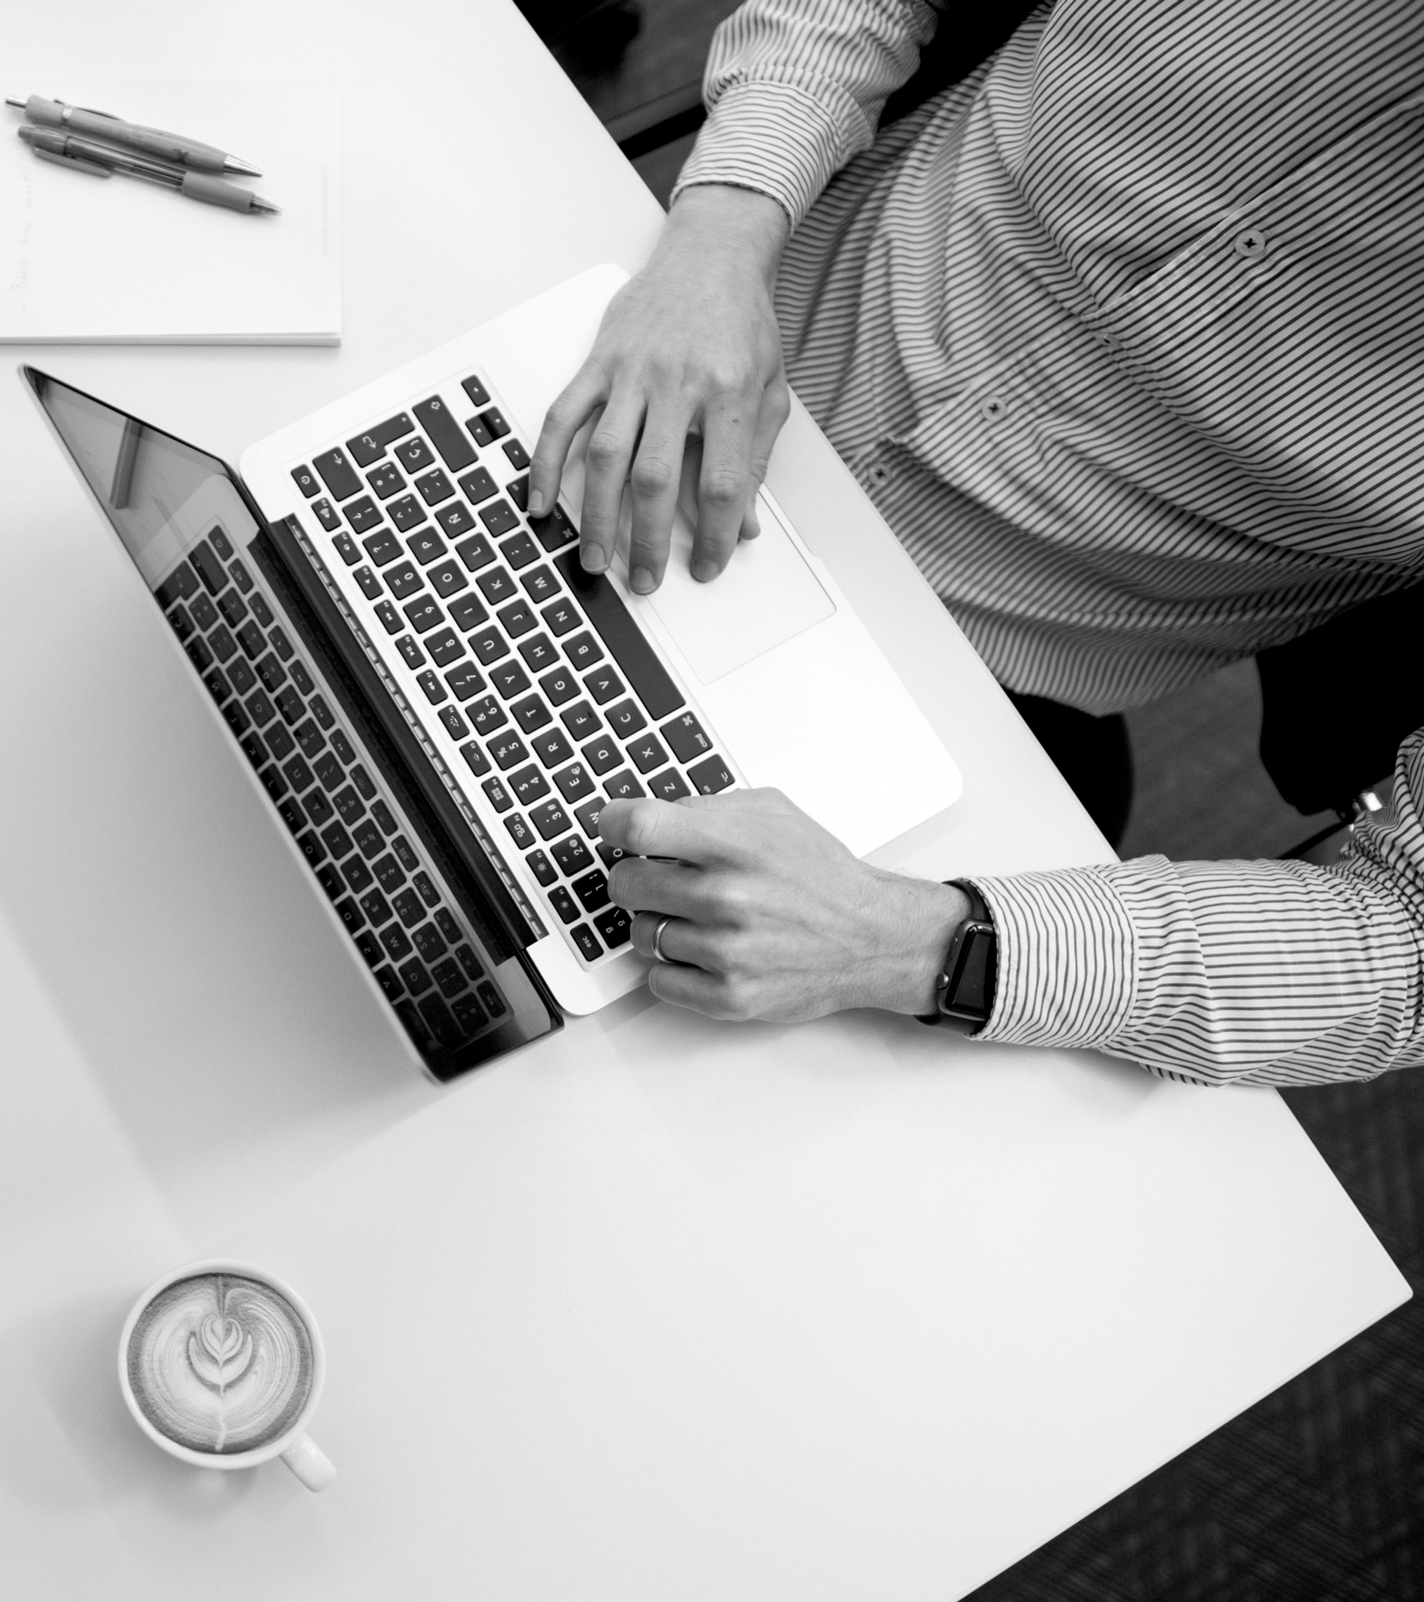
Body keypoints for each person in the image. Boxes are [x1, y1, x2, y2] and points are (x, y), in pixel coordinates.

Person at [528, 0, 1424, 1087]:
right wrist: (721, 231)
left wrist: (921, 946)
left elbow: (1402, 945)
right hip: (689, 319)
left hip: (965, 685)